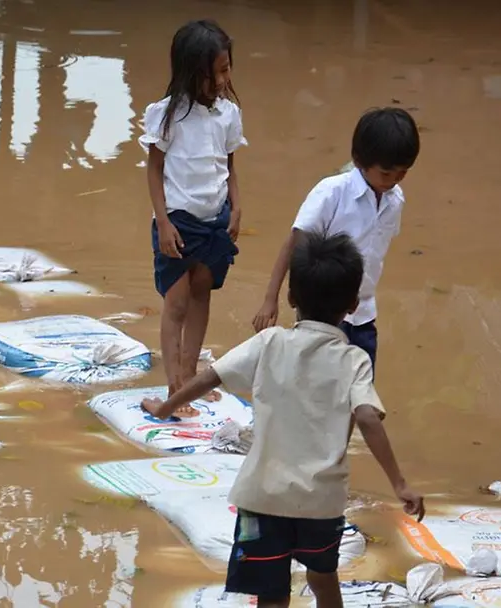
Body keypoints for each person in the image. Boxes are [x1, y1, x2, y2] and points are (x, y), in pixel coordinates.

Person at [143, 231, 424, 608]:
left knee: (271, 594)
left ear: (291, 297)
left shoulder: (269, 342)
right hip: (321, 502)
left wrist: (164, 408)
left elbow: (208, 379)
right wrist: (400, 484)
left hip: (264, 498)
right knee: (323, 580)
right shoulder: (354, 359)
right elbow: (369, 417)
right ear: (353, 304)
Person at [252, 107, 420, 373]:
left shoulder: (395, 201)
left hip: (363, 312)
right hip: (322, 313)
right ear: (360, 160)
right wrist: (270, 298)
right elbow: (294, 243)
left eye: (403, 173)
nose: (395, 181)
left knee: (358, 389)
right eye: (387, 173)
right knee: (316, 386)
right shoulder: (330, 193)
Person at [140, 19, 247, 411]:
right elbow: (154, 170)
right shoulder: (166, 115)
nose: (222, 79)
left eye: (226, 69)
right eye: (213, 73)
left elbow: (229, 165)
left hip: (214, 221)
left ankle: (189, 380)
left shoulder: (228, 115)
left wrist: (236, 206)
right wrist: (163, 222)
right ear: (190, 74)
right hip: (179, 221)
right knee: (178, 302)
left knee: (202, 293)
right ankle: (174, 386)